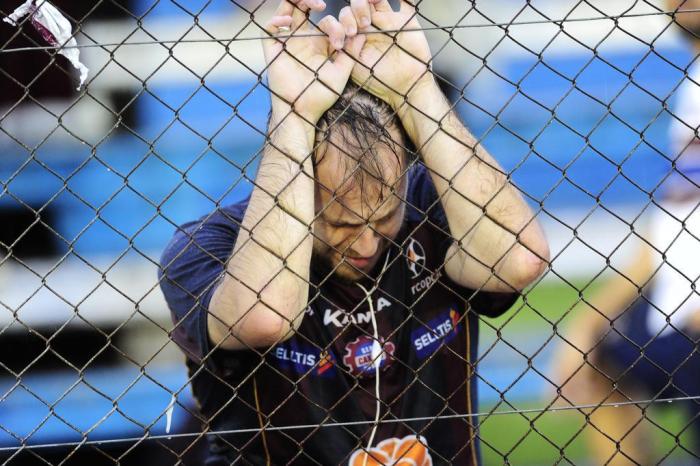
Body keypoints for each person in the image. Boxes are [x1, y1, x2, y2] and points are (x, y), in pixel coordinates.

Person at [159, 0, 549, 464]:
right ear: (301, 184)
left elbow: (518, 260)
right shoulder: (208, 246)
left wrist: (416, 89)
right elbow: (266, 316)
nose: (366, 244)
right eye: (341, 223)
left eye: (385, 218)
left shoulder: (431, 202)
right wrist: (293, 116)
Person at [551, 2, 700, 464]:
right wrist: (586, 322)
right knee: (596, 360)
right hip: (674, 314)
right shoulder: (692, 86)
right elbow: (666, 232)